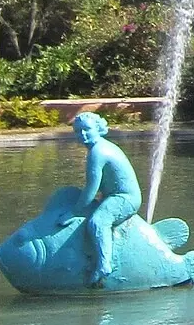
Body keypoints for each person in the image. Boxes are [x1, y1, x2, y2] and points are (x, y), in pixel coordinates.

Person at [60, 111, 142, 286]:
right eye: (78, 131)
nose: (82, 134)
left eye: (87, 129)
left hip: (125, 198)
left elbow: (91, 188)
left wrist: (74, 212)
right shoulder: (98, 148)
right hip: (112, 197)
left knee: (98, 222)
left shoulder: (98, 152)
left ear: (98, 129)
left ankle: (104, 265)